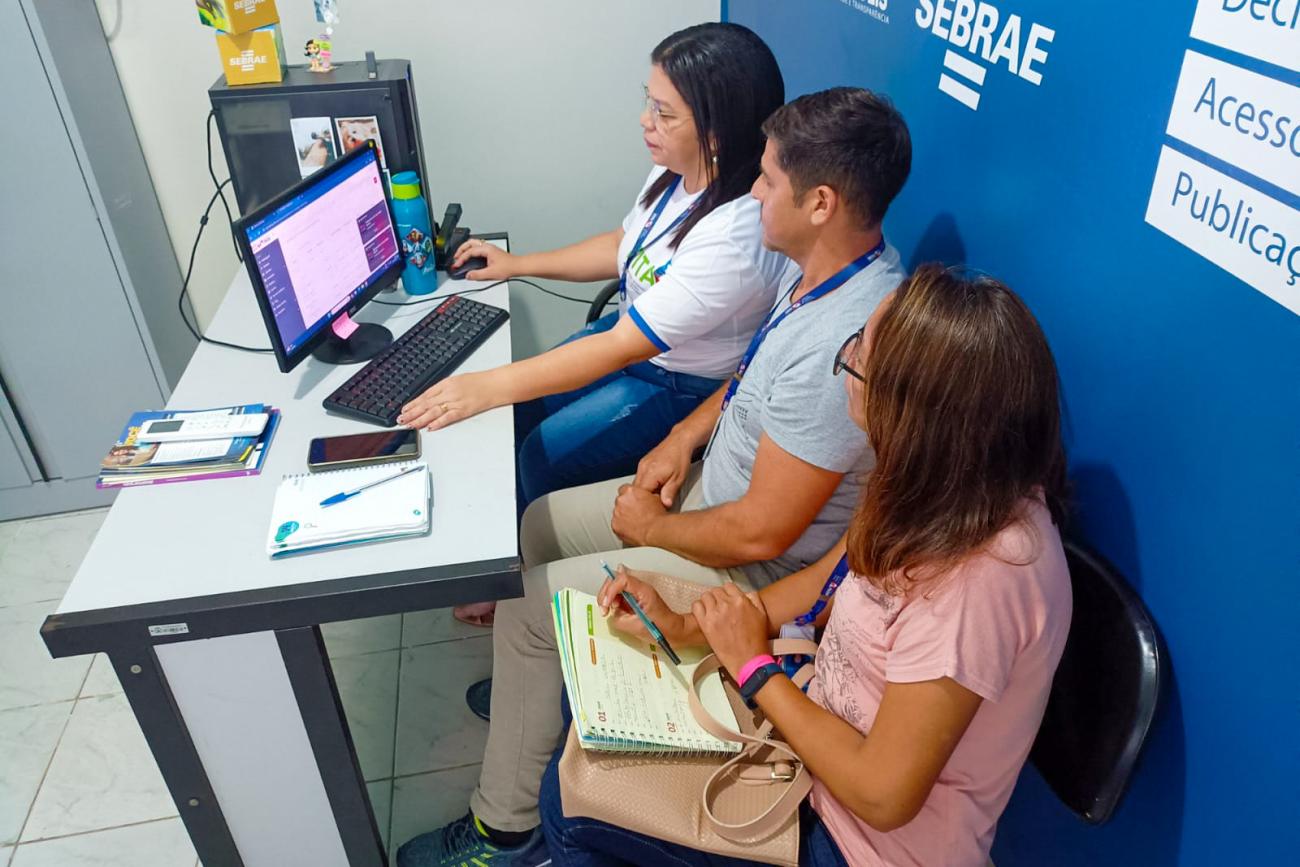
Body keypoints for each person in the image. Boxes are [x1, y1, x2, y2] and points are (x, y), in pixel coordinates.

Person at [395, 86, 913, 867]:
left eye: (769, 179)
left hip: (752, 565)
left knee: (531, 607)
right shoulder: (815, 267)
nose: (754, 191)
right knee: (537, 524)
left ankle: (504, 831)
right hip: (711, 495)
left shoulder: (845, 341)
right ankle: (542, 698)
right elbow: (749, 373)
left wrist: (655, 528)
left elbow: (762, 534)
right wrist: (683, 435)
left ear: (821, 203)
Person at [540, 262, 1074, 867]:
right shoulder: (935, 480)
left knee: (570, 805)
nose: (844, 365)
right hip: (808, 753)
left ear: (914, 412)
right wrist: (687, 626)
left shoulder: (983, 579)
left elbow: (883, 795)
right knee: (584, 709)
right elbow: (826, 584)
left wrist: (754, 668)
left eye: (858, 359)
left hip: (853, 844)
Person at [400, 22, 787, 627]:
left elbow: (617, 347)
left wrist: (484, 386)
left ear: (716, 132)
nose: (645, 121)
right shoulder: (676, 174)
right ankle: (511, 567)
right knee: (517, 415)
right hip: (634, 346)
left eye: (664, 113)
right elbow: (624, 247)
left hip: (677, 381)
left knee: (543, 455)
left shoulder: (734, 238)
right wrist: (518, 263)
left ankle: (531, 597)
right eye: (648, 101)